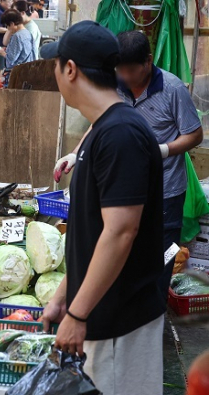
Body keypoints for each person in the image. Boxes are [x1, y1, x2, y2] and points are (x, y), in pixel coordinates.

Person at [40, 21, 167, 395]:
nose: (56, 73)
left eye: (56, 64)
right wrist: (64, 295)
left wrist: (77, 315)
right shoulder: (103, 129)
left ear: (71, 69)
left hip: (119, 318)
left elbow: (121, 231)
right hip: (101, 311)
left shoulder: (121, 134)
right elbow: (94, 230)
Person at [54, 31, 204, 303]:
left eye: (130, 70)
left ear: (147, 61)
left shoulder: (172, 89)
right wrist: (75, 154)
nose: (123, 76)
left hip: (166, 190)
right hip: (128, 188)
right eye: (119, 69)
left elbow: (195, 134)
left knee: (162, 254)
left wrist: (164, 149)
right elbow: (100, 122)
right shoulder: (116, 85)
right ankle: (129, 310)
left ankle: (155, 309)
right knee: (124, 251)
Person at [0, 9, 34, 87]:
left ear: (12, 24)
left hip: (16, 75)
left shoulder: (17, 36)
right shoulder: (28, 33)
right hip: (27, 72)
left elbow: (11, 59)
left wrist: (3, 53)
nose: (7, 29)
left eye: (7, 26)